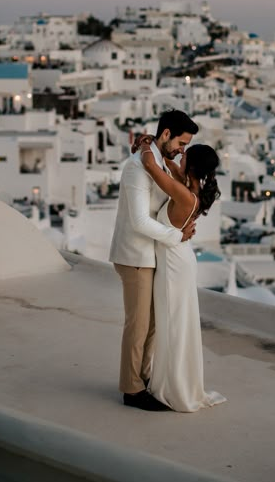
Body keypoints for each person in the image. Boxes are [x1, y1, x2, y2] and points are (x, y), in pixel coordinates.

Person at [109, 110, 198, 411]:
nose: (182, 150)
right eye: (181, 143)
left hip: (151, 254)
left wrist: (147, 143)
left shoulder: (159, 161)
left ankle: (142, 378)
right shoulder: (138, 168)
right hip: (135, 254)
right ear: (166, 134)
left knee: (151, 325)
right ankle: (131, 389)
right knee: (138, 325)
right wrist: (177, 237)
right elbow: (138, 221)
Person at [139, 141, 227, 412]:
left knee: (173, 326)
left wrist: (146, 145)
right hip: (179, 258)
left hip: (174, 266)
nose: (180, 156)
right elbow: (170, 167)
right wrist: (170, 157)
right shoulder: (191, 187)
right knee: (176, 324)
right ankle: (173, 381)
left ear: (192, 164)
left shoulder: (184, 192)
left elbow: (151, 166)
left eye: (185, 155)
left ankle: (173, 387)